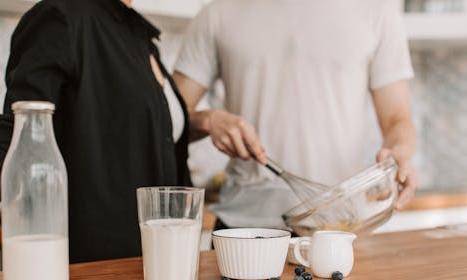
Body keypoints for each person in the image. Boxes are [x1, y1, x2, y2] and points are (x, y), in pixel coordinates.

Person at [0, 0, 192, 263]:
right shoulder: (62, 17)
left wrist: (207, 121)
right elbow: (20, 131)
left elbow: (141, 129)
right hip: (95, 268)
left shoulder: (139, 37)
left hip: (160, 263)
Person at [173, 0, 418, 230]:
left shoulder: (376, 9)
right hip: (242, 228)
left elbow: (397, 118)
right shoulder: (219, 12)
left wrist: (400, 154)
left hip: (337, 227)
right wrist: (208, 120)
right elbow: (167, 118)